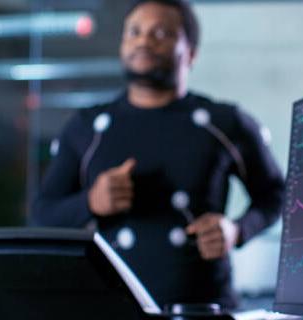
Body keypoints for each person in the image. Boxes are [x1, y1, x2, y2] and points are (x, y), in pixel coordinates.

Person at [31, 0, 284, 309]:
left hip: (205, 308)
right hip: (111, 308)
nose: (144, 41)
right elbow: (42, 214)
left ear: (191, 53)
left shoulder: (225, 122)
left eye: (161, 33)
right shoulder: (86, 127)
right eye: (134, 32)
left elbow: (277, 195)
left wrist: (237, 230)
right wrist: (90, 202)